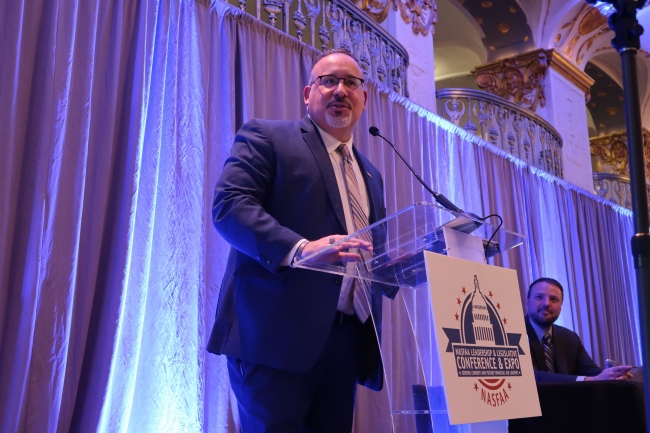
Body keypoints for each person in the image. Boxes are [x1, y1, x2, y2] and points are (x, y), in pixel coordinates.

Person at [208, 48, 394, 433]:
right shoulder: (268, 136)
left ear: (364, 98)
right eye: (329, 81)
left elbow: (373, 249)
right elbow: (230, 206)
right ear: (308, 94)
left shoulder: (371, 174)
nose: (340, 89)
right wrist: (302, 249)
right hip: (274, 336)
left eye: (351, 83)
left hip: (346, 338)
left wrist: (400, 263)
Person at [525, 277, 633, 383]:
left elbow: (591, 372)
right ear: (528, 301)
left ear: (561, 306)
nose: (546, 304)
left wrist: (614, 374)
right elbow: (531, 377)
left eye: (554, 299)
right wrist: (588, 380)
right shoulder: (514, 333)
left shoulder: (569, 337)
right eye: (539, 297)